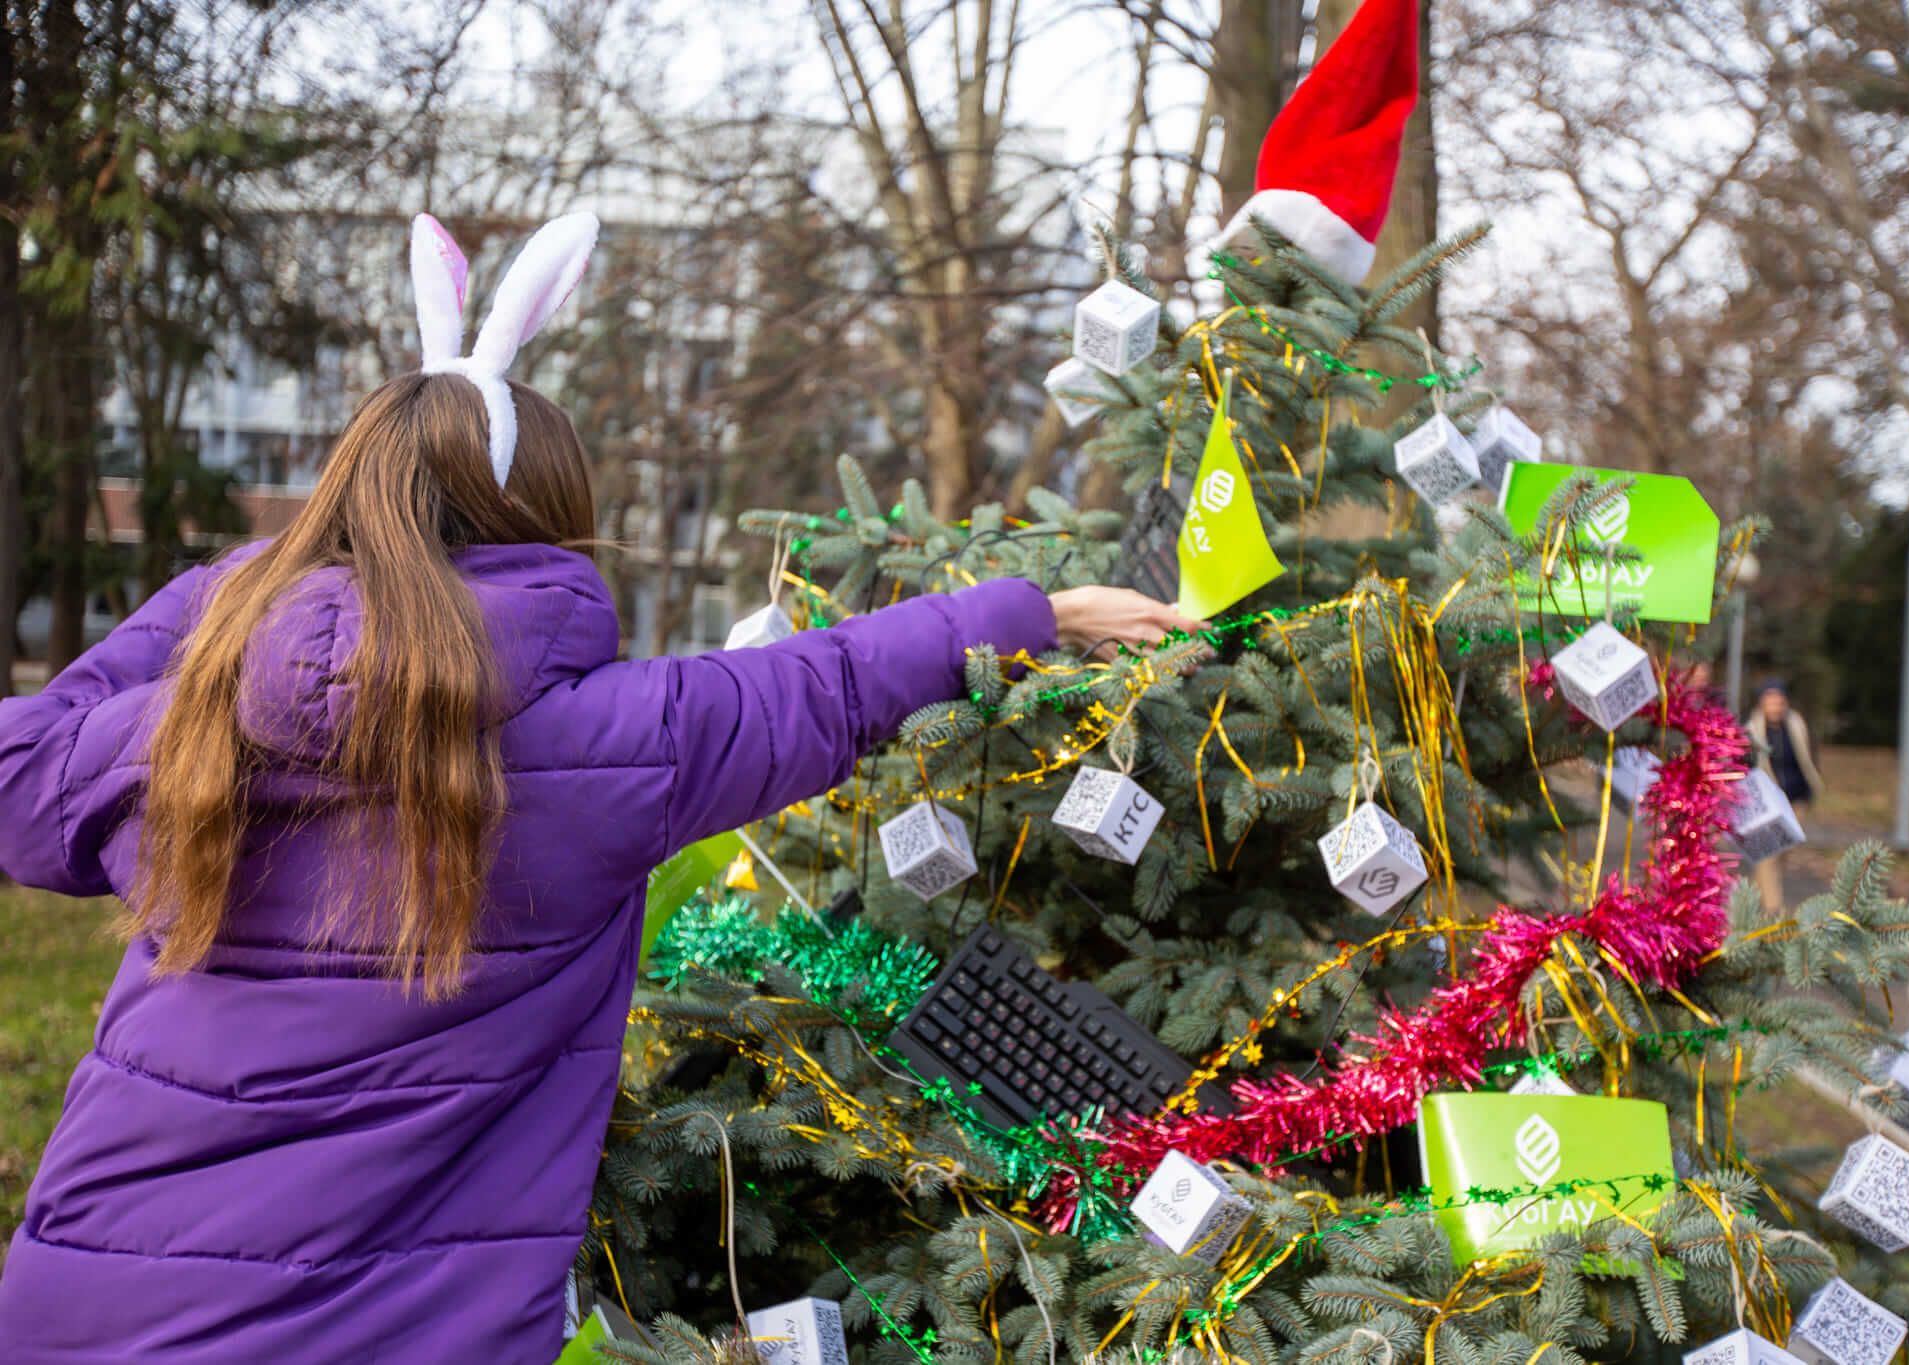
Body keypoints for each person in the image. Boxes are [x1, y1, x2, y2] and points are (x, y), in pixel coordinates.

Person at [0, 213, 1201, 1362]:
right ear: (549, 518)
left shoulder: (176, 738)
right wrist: (1032, 612)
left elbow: (18, 770)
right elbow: (829, 684)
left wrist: (247, 591)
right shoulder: (606, 747)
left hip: (78, 1311)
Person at [1745, 678, 1823, 911]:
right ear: (1762, 703)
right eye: (1770, 700)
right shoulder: (1751, 732)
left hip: (1796, 799)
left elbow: (1809, 759)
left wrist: (1810, 790)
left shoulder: (1797, 726)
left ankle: (1748, 902)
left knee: (1780, 855)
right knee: (1769, 854)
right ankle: (1773, 912)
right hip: (1767, 804)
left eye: (1779, 701)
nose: (1775, 706)